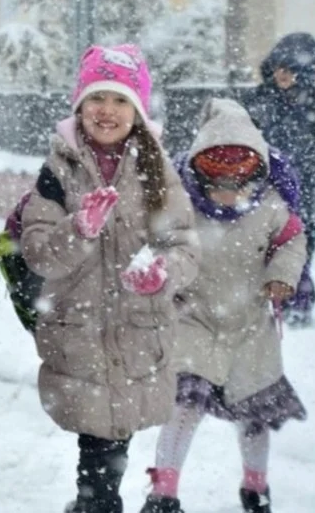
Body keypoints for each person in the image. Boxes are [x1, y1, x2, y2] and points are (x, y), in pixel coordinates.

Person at [20, 44, 198, 513]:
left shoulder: (158, 169)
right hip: (80, 335)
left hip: (138, 334)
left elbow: (184, 245)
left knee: (111, 444)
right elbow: (38, 252)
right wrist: (77, 229)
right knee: (100, 450)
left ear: (137, 111)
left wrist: (163, 272)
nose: (108, 110)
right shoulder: (58, 169)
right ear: (80, 104)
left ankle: (94, 504)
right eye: (98, 97)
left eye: (121, 100)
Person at [140, 98, 308, 513]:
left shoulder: (271, 206)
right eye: (217, 181)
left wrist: (282, 276)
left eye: (240, 182)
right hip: (194, 316)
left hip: (250, 324)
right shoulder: (181, 203)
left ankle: (257, 486)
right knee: (184, 406)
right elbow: (159, 241)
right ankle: (163, 492)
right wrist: (159, 272)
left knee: (254, 415)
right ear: (198, 167)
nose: (228, 193)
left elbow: (292, 240)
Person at [242, 33, 315, 327]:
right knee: (258, 250)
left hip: (305, 194)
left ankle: (297, 302)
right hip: (262, 193)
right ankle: (263, 302)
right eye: (278, 67)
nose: (283, 74)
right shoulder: (256, 103)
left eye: (290, 69)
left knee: (298, 250)